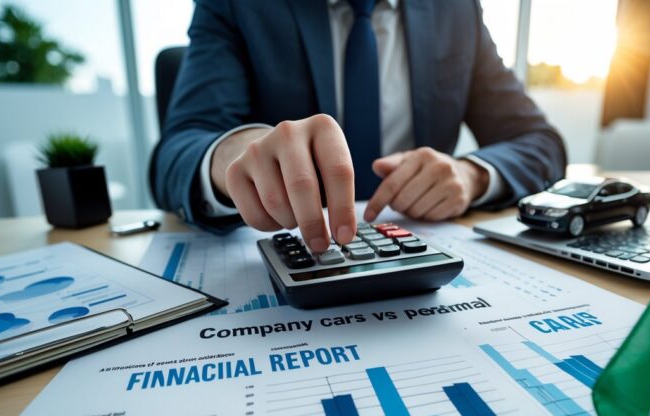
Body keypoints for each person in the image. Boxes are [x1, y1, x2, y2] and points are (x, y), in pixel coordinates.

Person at [153, 0, 566, 252]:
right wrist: (238, 152)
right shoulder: (237, 4)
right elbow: (179, 148)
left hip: (417, 252)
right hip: (289, 254)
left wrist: (471, 174)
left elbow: (540, 142)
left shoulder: (456, 10)